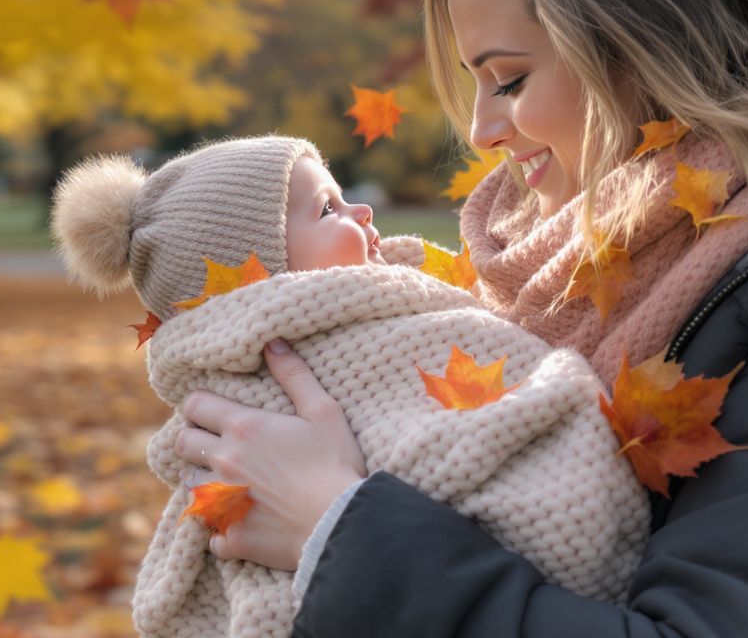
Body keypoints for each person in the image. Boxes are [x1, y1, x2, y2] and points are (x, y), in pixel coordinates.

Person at [171, 0, 748, 637]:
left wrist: (337, 529)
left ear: (649, 44)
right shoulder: (551, 271)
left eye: (510, 80)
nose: (483, 130)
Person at [51, 135, 649, 638]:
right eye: (327, 210)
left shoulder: (392, 305)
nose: (361, 213)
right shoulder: (304, 353)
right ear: (262, 280)